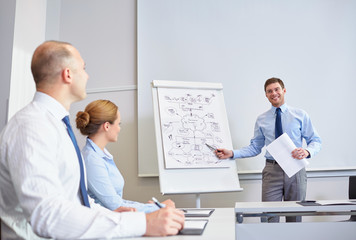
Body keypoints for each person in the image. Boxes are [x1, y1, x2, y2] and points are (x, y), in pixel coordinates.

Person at [0, 40, 184, 239]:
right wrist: (142, 223)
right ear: (68, 74)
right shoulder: (31, 126)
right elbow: (47, 215)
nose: (87, 76)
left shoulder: (57, 126)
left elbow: (76, 201)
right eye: (84, 68)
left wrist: (109, 215)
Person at [216, 77, 321, 222]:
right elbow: (255, 147)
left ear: (284, 90)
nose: (274, 93)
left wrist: (307, 152)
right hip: (272, 170)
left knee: (295, 217)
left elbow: (315, 141)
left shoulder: (300, 115)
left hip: (296, 169)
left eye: (277, 89)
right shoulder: (262, 119)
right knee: (268, 217)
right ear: (266, 95)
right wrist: (232, 153)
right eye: (269, 91)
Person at [76, 99, 175, 213]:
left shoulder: (100, 155)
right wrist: (159, 207)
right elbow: (116, 206)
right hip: (106, 223)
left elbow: (118, 202)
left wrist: (154, 206)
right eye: (119, 124)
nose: (119, 128)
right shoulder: (92, 160)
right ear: (107, 126)